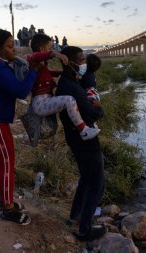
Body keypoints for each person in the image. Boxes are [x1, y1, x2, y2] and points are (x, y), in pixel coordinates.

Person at [0, 29, 39, 225]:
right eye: (9, 46)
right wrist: (34, 71)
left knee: (1, 162)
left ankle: (6, 202)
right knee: (7, 163)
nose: (13, 49)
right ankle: (8, 210)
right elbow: (20, 91)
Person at [55, 46, 106, 241]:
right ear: (68, 61)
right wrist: (99, 109)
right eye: (80, 59)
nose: (83, 64)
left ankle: (75, 215)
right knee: (96, 182)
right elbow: (93, 113)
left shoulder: (69, 82)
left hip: (77, 137)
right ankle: (85, 229)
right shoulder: (71, 88)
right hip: (84, 140)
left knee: (86, 178)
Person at [27, 33, 100, 140]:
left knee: (37, 129)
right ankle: (83, 130)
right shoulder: (34, 59)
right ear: (42, 49)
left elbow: (45, 73)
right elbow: (35, 56)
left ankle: (26, 136)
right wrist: (56, 54)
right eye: (50, 48)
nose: (52, 50)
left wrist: (59, 72)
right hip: (40, 103)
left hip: (45, 100)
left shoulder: (41, 64)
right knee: (69, 100)